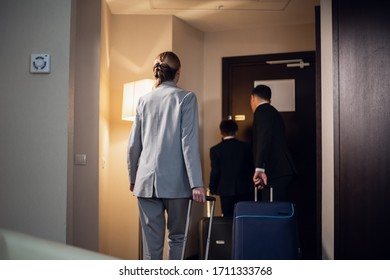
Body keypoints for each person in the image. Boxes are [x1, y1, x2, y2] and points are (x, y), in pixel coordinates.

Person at [127, 51, 206, 260]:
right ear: (177, 73)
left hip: (145, 183)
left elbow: (134, 144)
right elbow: (188, 142)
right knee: (177, 238)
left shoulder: (143, 100)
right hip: (177, 183)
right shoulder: (187, 98)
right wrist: (196, 183)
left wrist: (133, 177)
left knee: (151, 247)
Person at [250, 84, 297, 201]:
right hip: (279, 170)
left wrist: (259, 168)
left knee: (272, 212)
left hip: (276, 171)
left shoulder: (262, 111)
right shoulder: (273, 111)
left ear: (252, 98)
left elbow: (263, 138)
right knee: (276, 210)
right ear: (269, 100)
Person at [209, 119, 254, 217]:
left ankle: (231, 233)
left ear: (221, 133)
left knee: (228, 218)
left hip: (225, 190)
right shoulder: (246, 147)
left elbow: (215, 172)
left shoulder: (215, 150)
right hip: (244, 188)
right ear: (236, 131)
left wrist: (212, 188)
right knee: (244, 216)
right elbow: (250, 169)